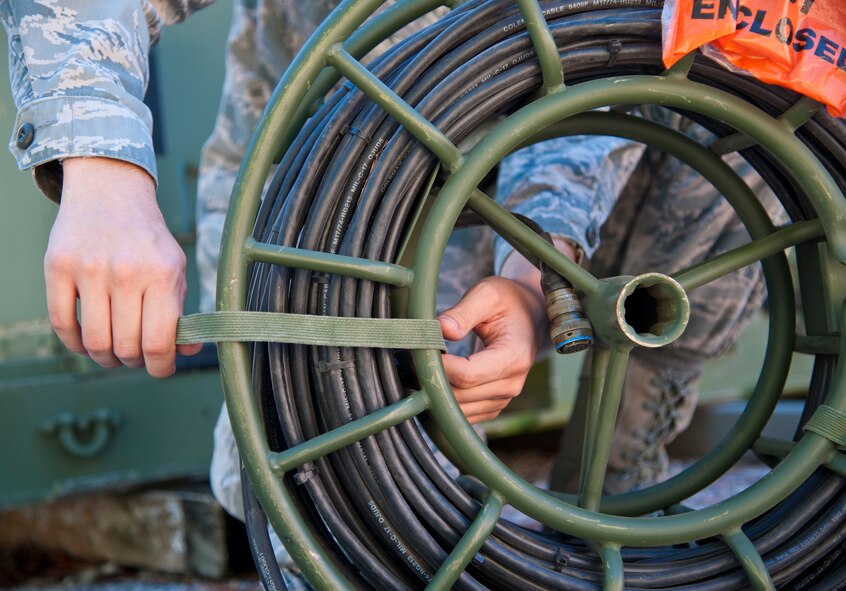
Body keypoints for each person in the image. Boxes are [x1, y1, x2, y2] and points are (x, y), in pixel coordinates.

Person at [2, 1, 780, 582]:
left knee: (746, 90)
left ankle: (611, 491)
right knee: (339, 503)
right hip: (332, 164)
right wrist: (104, 177)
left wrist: (538, 270)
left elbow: (606, 35)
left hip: (544, 135)